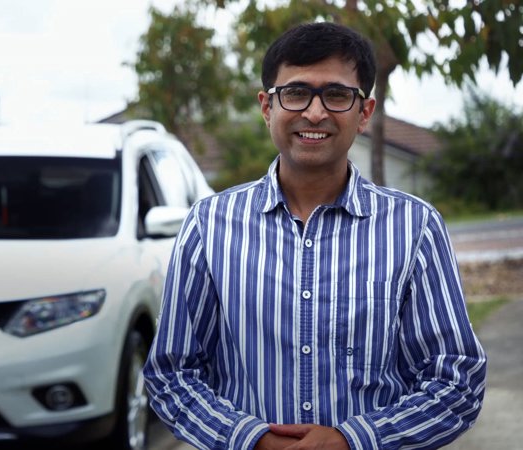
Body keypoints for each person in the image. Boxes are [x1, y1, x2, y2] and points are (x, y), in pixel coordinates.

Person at [143, 22, 486, 450]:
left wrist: (353, 440)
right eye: (296, 92)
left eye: (337, 95)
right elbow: (170, 374)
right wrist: (251, 440)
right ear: (267, 107)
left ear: (364, 112)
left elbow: (457, 379)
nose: (315, 112)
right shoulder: (210, 224)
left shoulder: (414, 227)